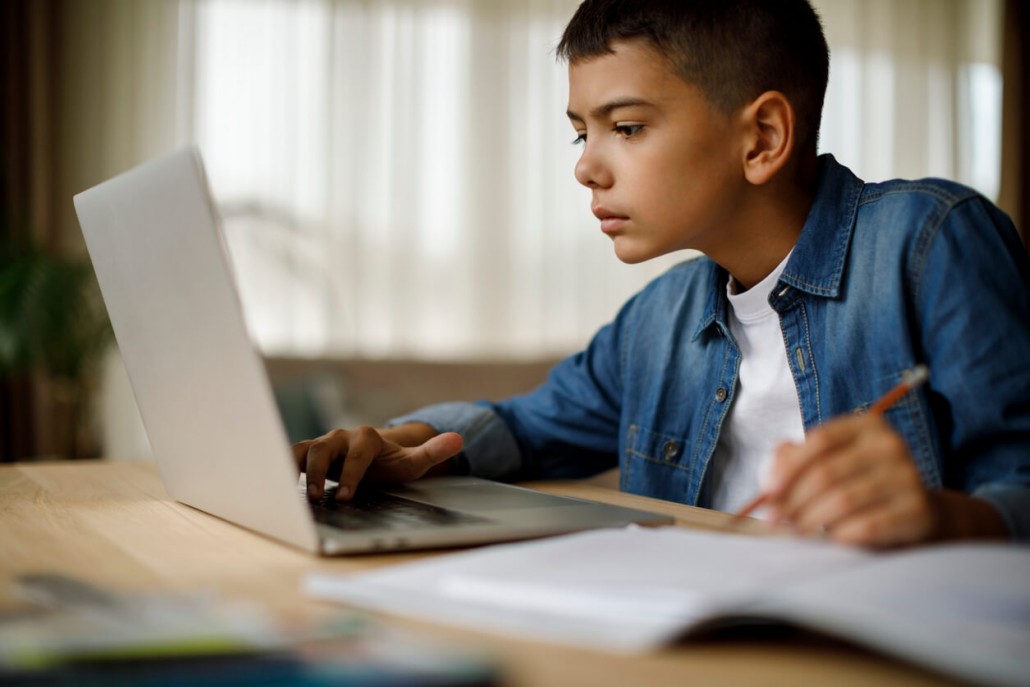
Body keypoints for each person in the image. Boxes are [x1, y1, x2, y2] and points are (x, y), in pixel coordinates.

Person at [294, 0, 1030, 548]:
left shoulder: (930, 245)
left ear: (763, 138)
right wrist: (401, 442)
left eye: (627, 127)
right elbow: (523, 426)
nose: (585, 165)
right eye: (581, 132)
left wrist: (946, 518)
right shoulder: (659, 318)